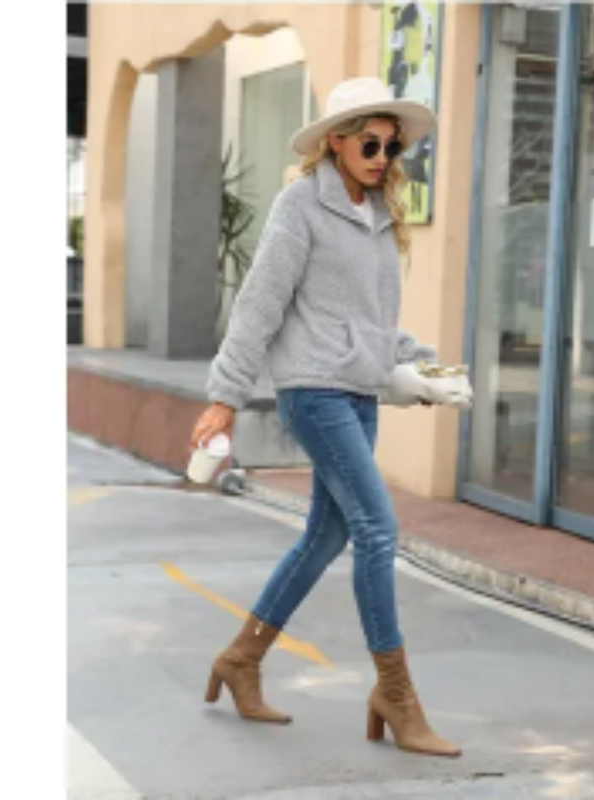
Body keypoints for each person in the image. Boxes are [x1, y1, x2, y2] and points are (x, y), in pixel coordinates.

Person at [190, 77, 461, 758]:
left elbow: (372, 323)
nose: (381, 156)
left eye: (391, 146)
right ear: (335, 141)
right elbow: (260, 303)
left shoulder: (378, 213)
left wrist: (422, 368)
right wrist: (225, 395)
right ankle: (395, 695)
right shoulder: (300, 206)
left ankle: (241, 659)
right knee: (377, 528)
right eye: (369, 143)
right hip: (313, 392)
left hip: (359, 393)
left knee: (325, 537)